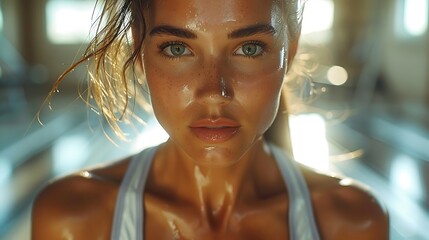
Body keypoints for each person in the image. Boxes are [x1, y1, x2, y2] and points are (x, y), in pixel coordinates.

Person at [31, 0, 389, 239]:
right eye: (177, 48)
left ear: (289, 51)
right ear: (140, 52)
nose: (214, 91)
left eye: (249, 48)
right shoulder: (73, 220)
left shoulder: (352, 222)